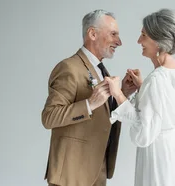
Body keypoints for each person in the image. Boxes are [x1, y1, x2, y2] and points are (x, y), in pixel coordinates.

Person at [41, 9, 137, 186]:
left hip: (96, 171)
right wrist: (89, 104)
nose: (119, 42)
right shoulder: (68, 68)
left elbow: (102, 114)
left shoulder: (101, 70)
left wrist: (122, 92)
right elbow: (49, 117)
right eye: (113, 34)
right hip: (71, 175)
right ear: (92, 33)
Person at [105, 8, 175, 186]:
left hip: (159, 160)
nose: (139, 41)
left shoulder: (156, 79)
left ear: (158, 41)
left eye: (143, 35)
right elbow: (168, 110)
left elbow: (143, 132)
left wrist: (118, 94)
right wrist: (143, 88)